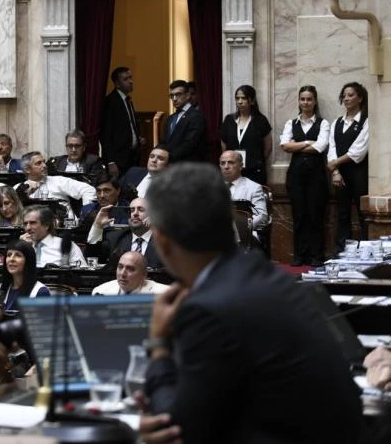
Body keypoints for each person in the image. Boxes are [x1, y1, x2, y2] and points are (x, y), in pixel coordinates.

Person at [138, 163, 364, 444]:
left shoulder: (207, 308)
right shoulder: (266, 274)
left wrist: (158, 345)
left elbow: (178, 428)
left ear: (162, 239)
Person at [279, 85, 329, 266]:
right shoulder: (290, 123)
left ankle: (316, 256)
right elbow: (284, 145)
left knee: (315, 216)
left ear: (314, 101)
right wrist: (308, 142)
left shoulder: (323, 123)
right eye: (302, 99)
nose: (305, 102)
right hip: (296, 176)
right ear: (299, 101)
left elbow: (321, 146)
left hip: (316, 176)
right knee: (299, 216)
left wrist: (297, 144)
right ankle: (299, 255)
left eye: (309, 99)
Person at [328, 82, 369, 246]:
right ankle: (342, 250)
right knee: (342, 213)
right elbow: (332, 147)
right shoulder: (337, 122)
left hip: (359, 173)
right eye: (344, 95)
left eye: (350, 95)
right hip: (339, 175)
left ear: (360, 98)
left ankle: (367, 250)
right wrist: (335, 171)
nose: (346, 98)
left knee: (363, 214)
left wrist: (335, 163)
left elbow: (358, 150)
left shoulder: (366, 121)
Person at [89, 197, 164, 269]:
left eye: (141, 210)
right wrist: (97, 225)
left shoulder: (163, 239)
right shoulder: (115, 238)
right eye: (131, 210)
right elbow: (93, 256)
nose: (135, 213)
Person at [219, 85, 272, 185]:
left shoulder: (260, 120)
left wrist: (256, 161)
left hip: (254, 171)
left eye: (243, 98)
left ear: (251, 101)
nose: (239, 101)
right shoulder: (229, 120)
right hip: (233, 171)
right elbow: (224, 144)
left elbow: (268, 147)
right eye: (237, 98)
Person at [20, 151, 97, 219]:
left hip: (65, 229)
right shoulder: (18, 189)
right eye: (38, 163)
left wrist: (86, 215)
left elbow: (88, 190)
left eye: (44, 162)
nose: (44, 165)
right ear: (27, 169)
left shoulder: (59, 181)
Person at [219, 150, 269, 242]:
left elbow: (262, 216)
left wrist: (239, 228)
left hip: (245, 235)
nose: (226, 166)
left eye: (231, 163)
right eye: (223, 163)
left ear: (241, 166)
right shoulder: (213, 187)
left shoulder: (254, 188)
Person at [20, 204, 85, 267]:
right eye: (25, 224)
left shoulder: (66, 246)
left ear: (46, 225)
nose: (28, 228)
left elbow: (81, 274)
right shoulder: (22, 246)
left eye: (33, 223)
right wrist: (22, 248)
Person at [0, 240, 50, 311]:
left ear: (28, 261)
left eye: (18, 255)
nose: (11, 259)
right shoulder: (0, 288)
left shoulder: (40, 292)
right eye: (9, 255)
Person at [162, 80, 206, 163]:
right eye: (171, 95)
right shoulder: (170, 118)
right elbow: (165, 141)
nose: (174, 99)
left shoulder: (197, 116)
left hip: (188, 166)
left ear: (188, 95)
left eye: (178, 94)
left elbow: (190, 144)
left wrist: (168, 157)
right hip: (170, 166)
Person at [79, 176, 130, 243]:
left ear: (118, 191)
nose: (101, 195)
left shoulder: (129, 210)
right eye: (98, 191)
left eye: (106, 191)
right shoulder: (87, 210)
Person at [92, 251, 168, 295]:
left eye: (130, 269)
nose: (122, 274)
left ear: (144, 275)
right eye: (120, 267)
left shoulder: (163, 294)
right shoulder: (101, 292)